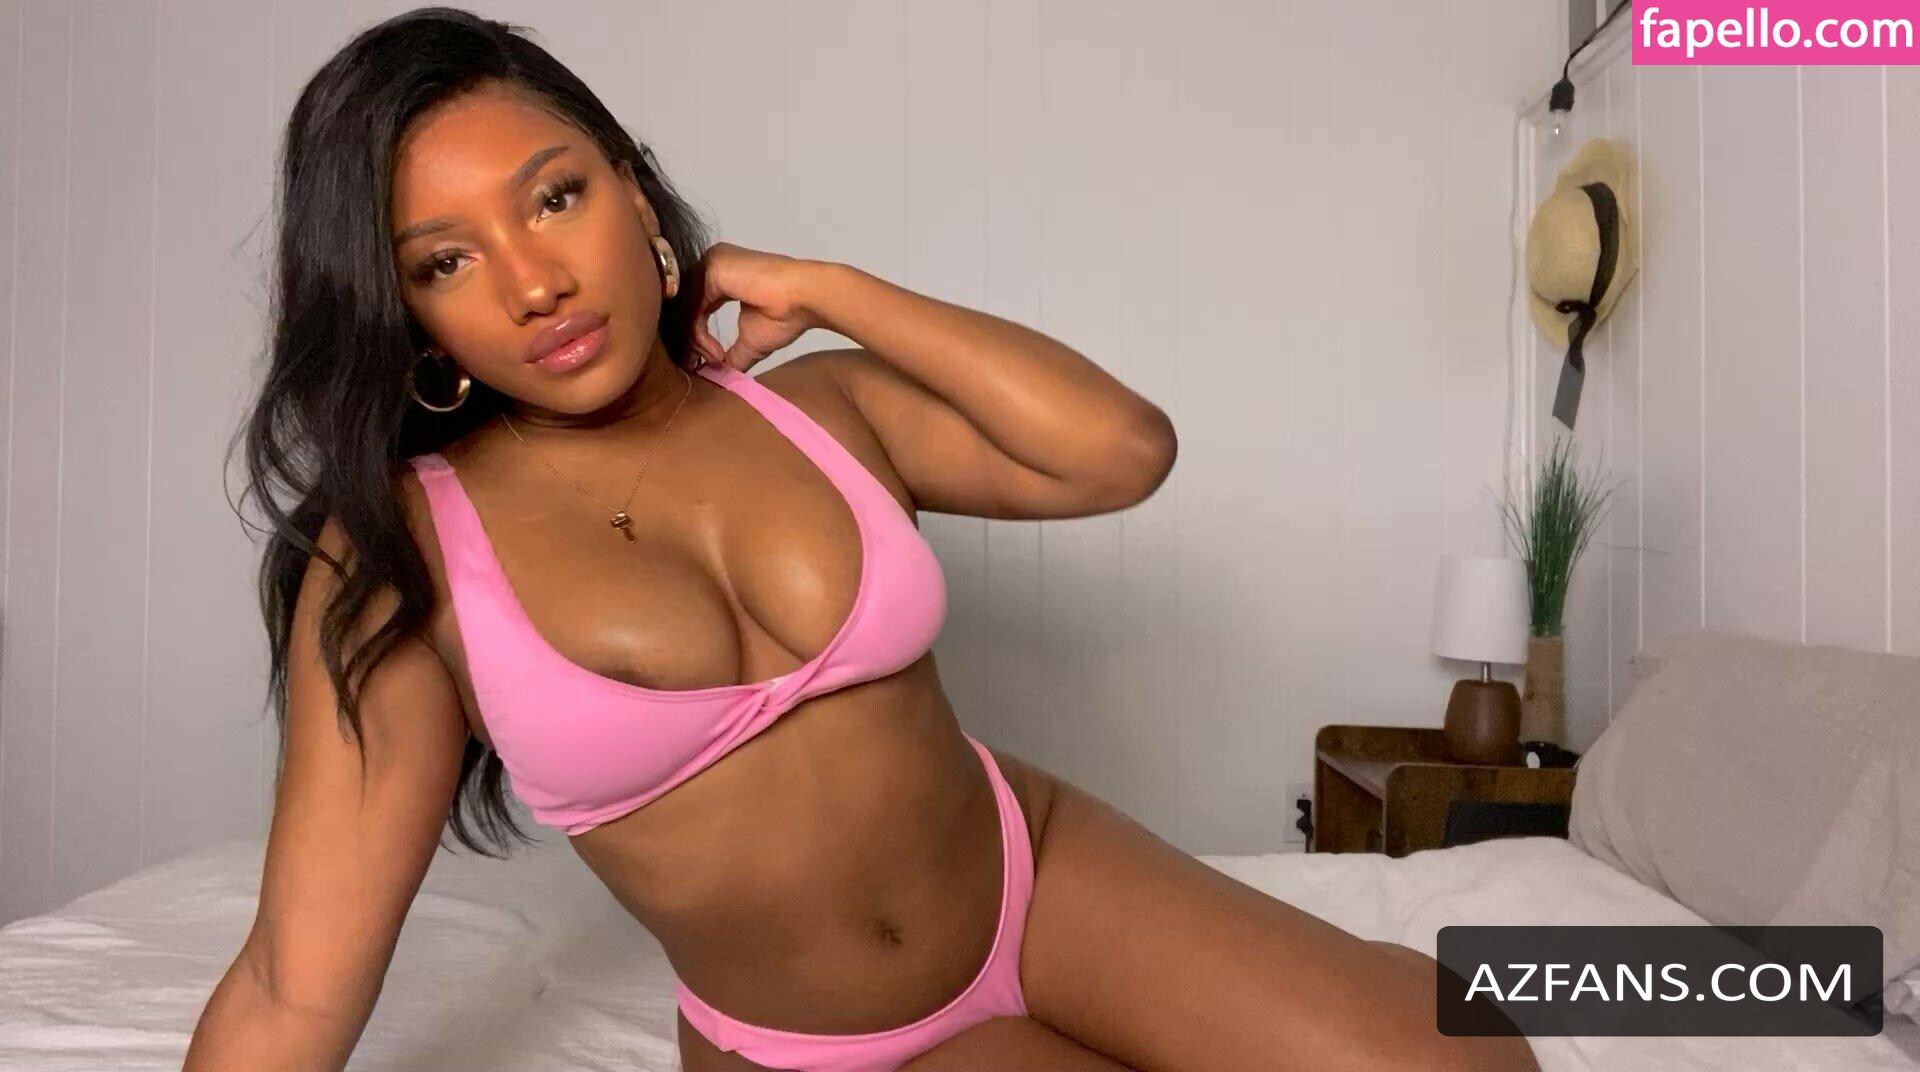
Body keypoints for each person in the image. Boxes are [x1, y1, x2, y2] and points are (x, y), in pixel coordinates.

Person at [184, 8, 1539, 1072]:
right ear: (408, 315)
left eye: (554, 198)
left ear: (633, 198)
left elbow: (1122, 449)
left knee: (1469, 1059)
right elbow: (294, 983)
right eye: (445, 260)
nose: (535, 281)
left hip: (1037, 876)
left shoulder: (817, 408)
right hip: (817, 1044)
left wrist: (835, 290)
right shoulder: (402, 556)